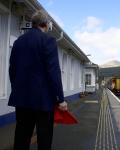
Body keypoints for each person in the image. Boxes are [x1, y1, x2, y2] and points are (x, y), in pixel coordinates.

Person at [8, 10, 68, 150]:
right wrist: (60, 99)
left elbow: (13, 70)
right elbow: (54, 72)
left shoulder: (18, 42)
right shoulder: (48, 41)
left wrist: (17, 89)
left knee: (22, 137)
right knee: (44, 138)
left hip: (22, 99)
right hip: (43, 101)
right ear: (45, 24)